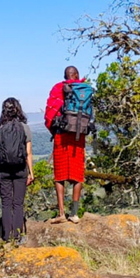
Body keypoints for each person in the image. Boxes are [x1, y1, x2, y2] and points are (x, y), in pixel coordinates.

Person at [44, 66, 90, 223]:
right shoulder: (85, 89)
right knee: (78, 174)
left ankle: (61, 214)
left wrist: (54, 131)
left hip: (61, 135)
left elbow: (49, 114)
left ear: (65, 76)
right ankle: (75, 214)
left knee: (60, 175)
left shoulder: (58, 88)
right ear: (77, 75)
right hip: (78, 136)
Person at [0, 97, 35, 241]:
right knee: (18, 203)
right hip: (20, 169)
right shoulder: (24, 127)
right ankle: (17, 237)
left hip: (4, 170)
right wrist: (31, 173)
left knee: (6, 203)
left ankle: (5, 237)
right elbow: (28, 153)